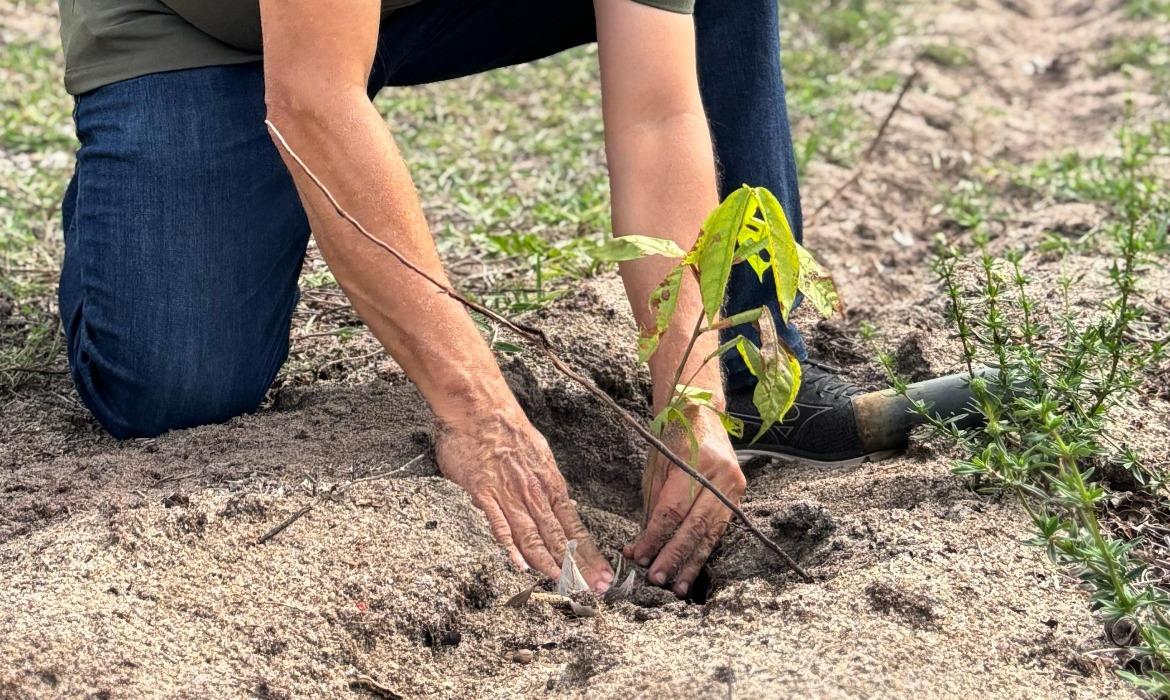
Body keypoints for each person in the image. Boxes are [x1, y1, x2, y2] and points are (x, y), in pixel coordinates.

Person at [53, 0, 963, 598]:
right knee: (173, 384)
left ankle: (752, 378)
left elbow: (658, 113)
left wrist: (688, 390)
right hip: (202, 26)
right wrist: (479, 411)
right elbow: (315, 96)